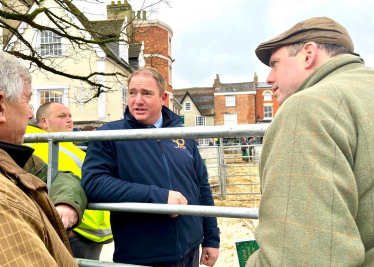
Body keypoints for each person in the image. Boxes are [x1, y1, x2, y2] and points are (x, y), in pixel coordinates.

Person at [246, 17, 374, 266]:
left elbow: (303, 256)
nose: (269, 78)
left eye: (275, 64)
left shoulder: (309, 108)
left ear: (308, 54)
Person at [82, 67, 220, 266]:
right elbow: (94, 184)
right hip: (143, 254)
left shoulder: (182, 134)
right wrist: (159, 198)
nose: (137, 100)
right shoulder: (109, 135)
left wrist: (211, 238)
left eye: (146, 93)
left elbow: (201, 187)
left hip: (190, 249)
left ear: (163, 98)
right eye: (132, 93)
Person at [0, 51, 78, 266]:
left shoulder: (16, 154)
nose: (29, 115)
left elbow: (63, 176)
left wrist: (66, 201)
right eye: (27, 101)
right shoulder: (6, 203)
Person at [25, 102, 112, 260]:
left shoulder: (66, 145)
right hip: (73, 229)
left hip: (85, 227)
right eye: (62, 116)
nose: (69, 120)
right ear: (44, 122)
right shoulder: (35, 146)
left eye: (70, 116)